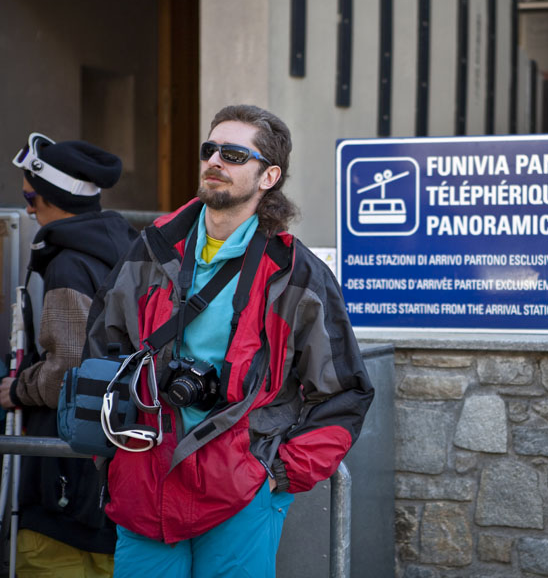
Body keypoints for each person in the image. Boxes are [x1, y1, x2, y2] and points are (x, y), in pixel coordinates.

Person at [82, 104, 374, 578]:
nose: (215, 161)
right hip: (145, 481)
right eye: (210, 150)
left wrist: (277, 474)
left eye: (235, 155)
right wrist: (111, 454)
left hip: (240, 490)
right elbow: (101, 355)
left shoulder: (295, 274)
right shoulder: (151, 249)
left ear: (268, 176)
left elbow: (345, 394)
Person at [2, 133, 137, 577]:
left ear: (55, 198)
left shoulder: (68, 264)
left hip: (66, 481)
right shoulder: (126, 249)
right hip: (116, 469)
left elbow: (70, 370)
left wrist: (17, 389)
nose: (28, 210)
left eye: (31, 197)